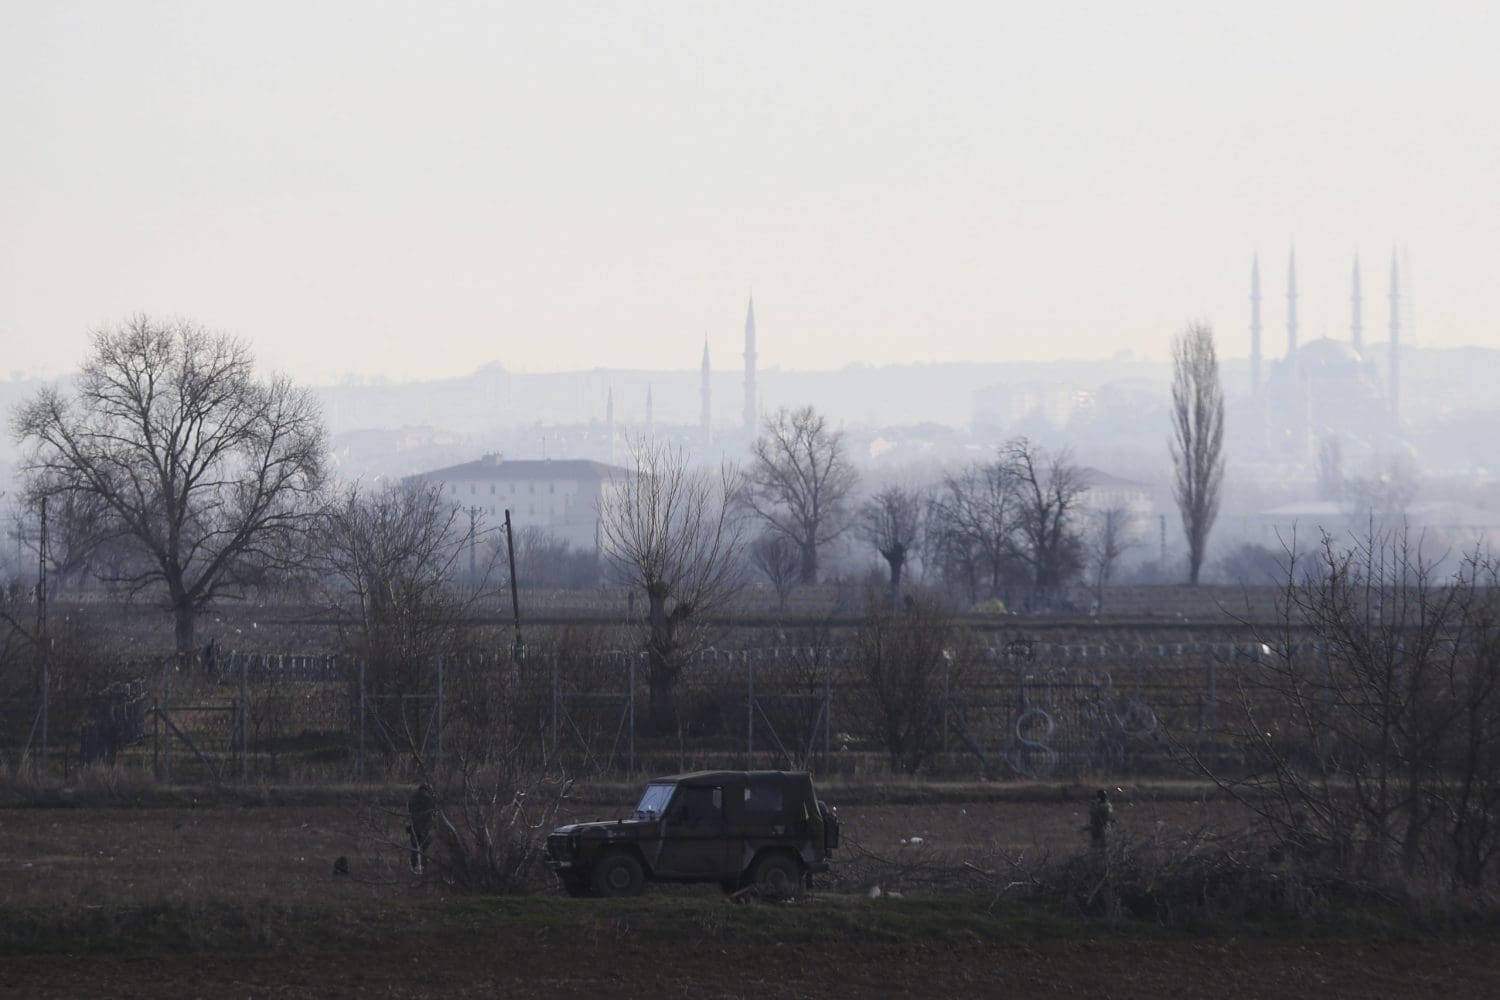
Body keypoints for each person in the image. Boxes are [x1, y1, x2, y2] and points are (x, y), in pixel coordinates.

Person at [406, 782, 436, 875]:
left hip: (414, 827)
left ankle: (414, 867)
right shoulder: (429, 799)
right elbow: (432, 813)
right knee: (425, 848)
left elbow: (409, 812)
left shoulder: (412, 798)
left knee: (415, 847)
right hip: (425, 827)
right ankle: (424, 868)